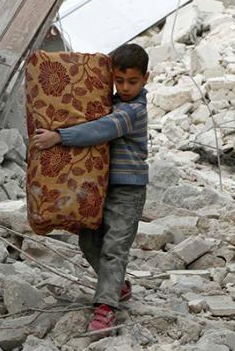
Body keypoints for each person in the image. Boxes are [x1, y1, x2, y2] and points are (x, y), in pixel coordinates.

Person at [31, 43, 150, 334]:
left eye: (132, 81)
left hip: (129, 190)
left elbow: (102, 129)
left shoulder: (132, 111)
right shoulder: (109, 102)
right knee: (88, 241)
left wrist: (59, 136)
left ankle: (105, 307)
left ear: (146, 78)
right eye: (119, 81)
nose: (124, 87)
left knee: (114, 248)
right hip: (101, 187)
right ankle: (118, 286)